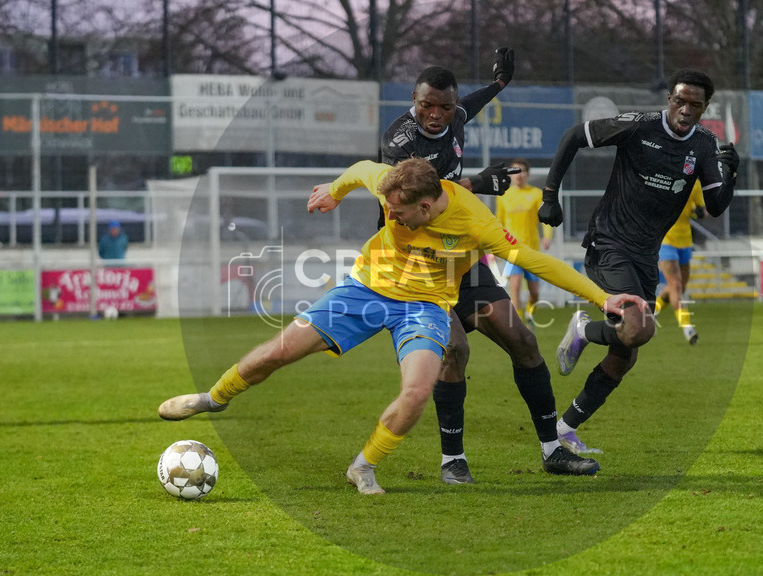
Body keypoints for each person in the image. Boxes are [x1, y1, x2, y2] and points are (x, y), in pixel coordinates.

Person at [157, 158, 644, 495]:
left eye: (397, 213)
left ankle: (362, 466)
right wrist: (333, 190)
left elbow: (536, 260)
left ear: (428, 207)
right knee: (276, 352)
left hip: (426, 306)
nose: (388, 215)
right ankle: (212, 399)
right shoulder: (392, 183)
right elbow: (358, 173)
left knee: (417, 392)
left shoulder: (475, 222)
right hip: (364, 291)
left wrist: (602, 298)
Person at [381, 51, 600, 484]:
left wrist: (499, 86)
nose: (436, 114)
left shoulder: (454, 115)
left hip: (462, 260)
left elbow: (469, 106)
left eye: (446, 106)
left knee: (523, 340)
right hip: (417, 267)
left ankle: (552, 450)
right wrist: (479, 182)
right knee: (455, 350)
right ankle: (452, 461)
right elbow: (417, 198)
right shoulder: (399, 142)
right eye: (428, 105)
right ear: (414, 99)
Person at [536, 68, 739, 454]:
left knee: (625, 355)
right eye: (680, 100)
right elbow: (573, 137)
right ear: (669, 100)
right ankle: (582, 332)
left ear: (704, 107)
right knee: (639, 328)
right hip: (609, 243)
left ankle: (564, 429)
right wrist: (550, 195)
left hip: (646, 256)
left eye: (695, 104)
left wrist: (731, 173)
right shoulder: (639, 126)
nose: (685, 109)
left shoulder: (707, 145)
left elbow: (715, 205)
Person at [495, 158, 552, 329]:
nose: (518, 175)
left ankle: (529, 310)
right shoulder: (503, 196)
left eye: (521, 171)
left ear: (528, 174)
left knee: (534, 292)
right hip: (512, 250)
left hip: (532, 249)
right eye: (514, 172)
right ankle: (519, 324)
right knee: (515, 285)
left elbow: (545, 219)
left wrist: (547, 236)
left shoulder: (536, 194)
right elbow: (500, 222)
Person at [655, 180, 706, 344]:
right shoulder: (663, 178)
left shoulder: (695, 183)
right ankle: (687, 328)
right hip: (665, 240)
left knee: (676, 288)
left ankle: (650, 314)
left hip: (685, 242)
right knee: (676, 285)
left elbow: (704, 211)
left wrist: (699, 212)